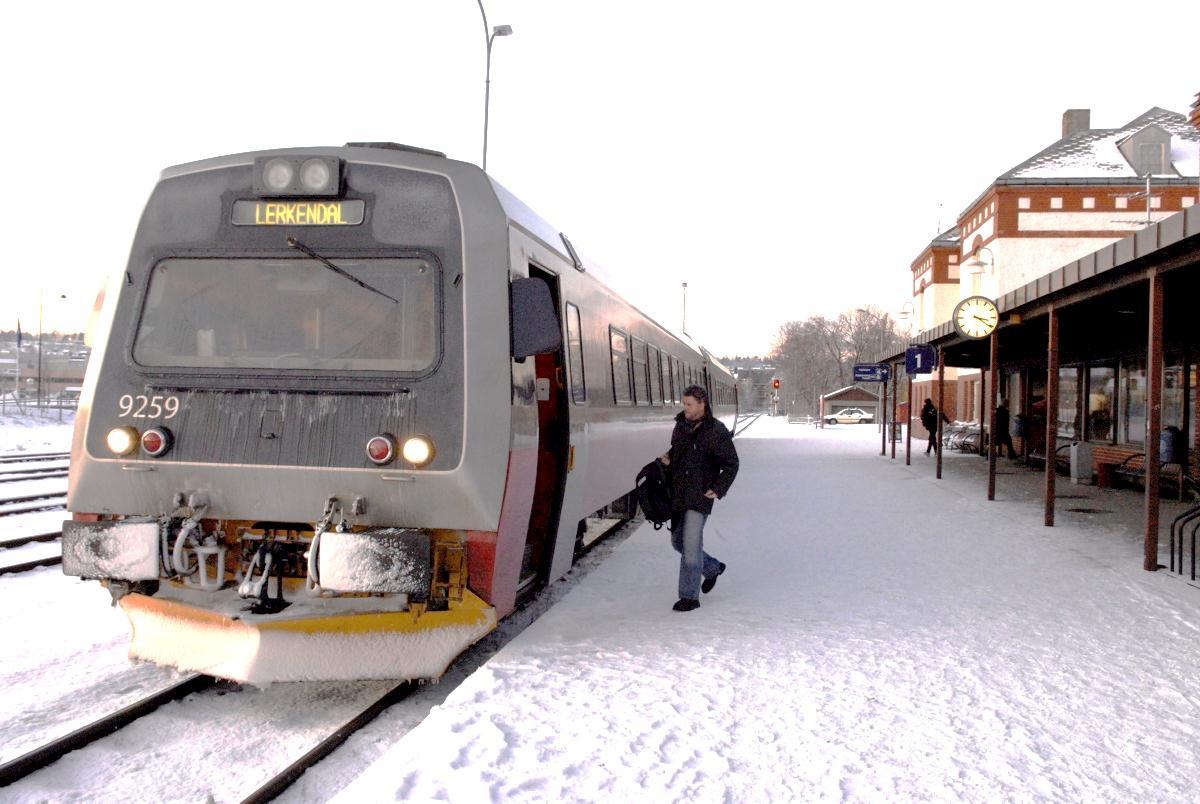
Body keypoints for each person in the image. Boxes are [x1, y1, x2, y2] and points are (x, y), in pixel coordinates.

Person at [659, 385, 739, 612]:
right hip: (679, 495)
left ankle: (689, 597)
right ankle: (713, 568)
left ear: (702, 404)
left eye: (689, 404)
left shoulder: (717, 431)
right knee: (678, 543)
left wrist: (719, 487)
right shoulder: (680, 426)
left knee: (691, 547)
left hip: (700, 496)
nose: (685, 408)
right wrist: (669, 458)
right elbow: (678, 452)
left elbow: (732, 463)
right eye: (684, 404)